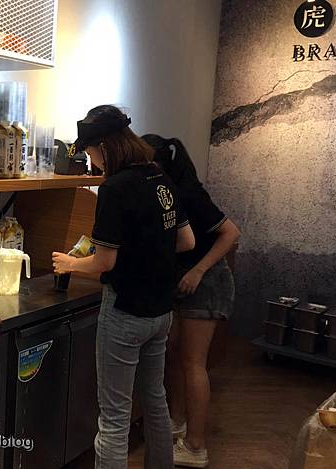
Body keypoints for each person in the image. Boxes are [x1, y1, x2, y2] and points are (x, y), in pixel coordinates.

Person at [53, 106, 195, 469]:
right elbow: (186, 241)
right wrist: (147, 248)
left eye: (90, 152)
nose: (91, 161)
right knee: (156, 400)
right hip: (161, 311)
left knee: (114, 417)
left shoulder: (114, 188)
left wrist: (70, 264)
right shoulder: (160, 178)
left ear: (104, 146)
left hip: (125, 312)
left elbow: (104, 262)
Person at [142, 134, 240, 468]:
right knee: (174, 354)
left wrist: (198, 271)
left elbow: (231, 233)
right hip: (183, 282)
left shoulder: (189, 195)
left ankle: (196, 447)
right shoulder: (164, 194)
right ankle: (176, 422)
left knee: (193, 362)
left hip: (207, 281)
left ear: (158, 166)